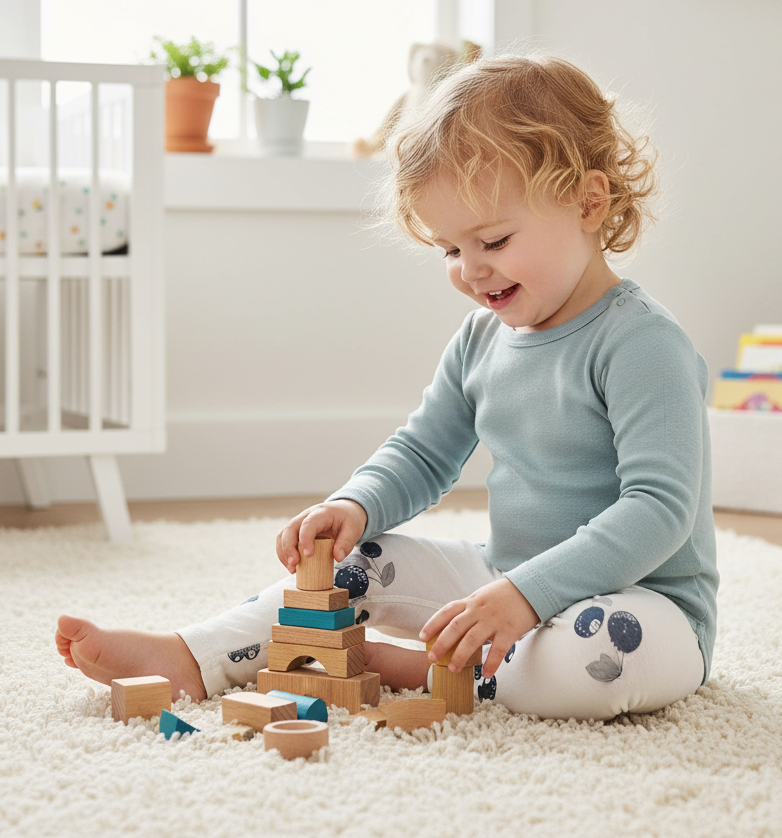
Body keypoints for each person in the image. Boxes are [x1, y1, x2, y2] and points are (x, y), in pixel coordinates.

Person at [56, 54, 718, 721]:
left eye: (492, 239)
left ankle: (418, 670)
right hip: (502, 584)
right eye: (451, 250)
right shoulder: (481, 340)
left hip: (640, 606)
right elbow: (426, 453)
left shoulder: (642, 344)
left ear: (588, 201)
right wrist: (357, 506)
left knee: (596, 661)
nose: (470, 270)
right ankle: (195, 656)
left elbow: (658, 509)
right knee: (354, 568)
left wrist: (528, 594)